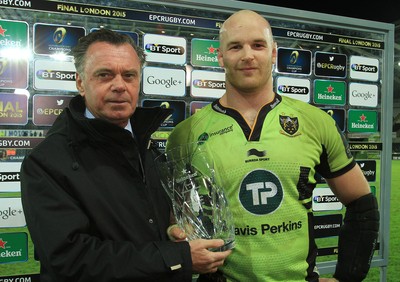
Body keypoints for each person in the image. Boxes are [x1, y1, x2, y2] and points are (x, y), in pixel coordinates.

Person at [165, 10, 379, 282]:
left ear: (274, 53)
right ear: (220, 56)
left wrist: (346, 278)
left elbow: (362, 205)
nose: (247, 55)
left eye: (257, 45)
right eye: (235, 46)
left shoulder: (316, 122)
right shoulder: (186, 134)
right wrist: (176, 233)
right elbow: (177, 219)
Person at [20, 28, 231, 282]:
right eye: (104, 75)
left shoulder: (147, 147)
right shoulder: (47, 162)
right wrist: (178, 257)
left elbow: (149, 224)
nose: (119, 85)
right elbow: (69, 259)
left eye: (129, 75)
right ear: (80, 82)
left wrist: (173, 231)